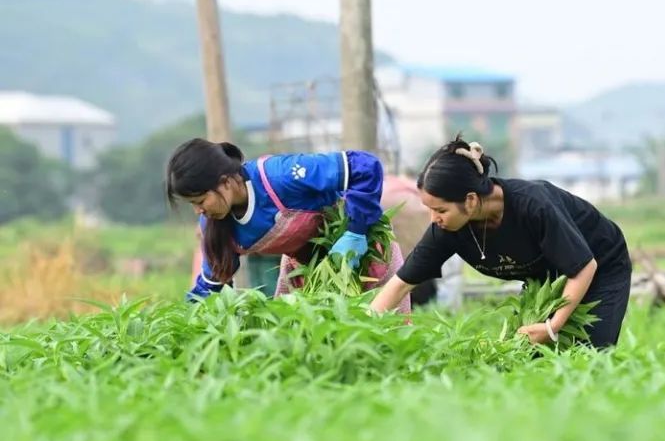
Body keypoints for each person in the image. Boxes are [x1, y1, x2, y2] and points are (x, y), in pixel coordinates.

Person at [370, 136, 633, 348]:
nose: (433, 218)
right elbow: (401, 284)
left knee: (591, 354)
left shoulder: (533, 205)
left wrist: (553, 326)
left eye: (440, 210)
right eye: (429, 209)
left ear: (471, 200)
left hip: (600, 264)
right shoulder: (449, 227)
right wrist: (358, 328)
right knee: (531, 359)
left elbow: (584, 266)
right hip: (547, 277)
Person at [166, 138, 408, 312]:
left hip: (363, 255)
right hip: (305, 276)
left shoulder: (279, 176)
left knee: (382, 332)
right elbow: (211, 287)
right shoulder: (214, 225)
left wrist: (355, 233)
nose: (199, 211)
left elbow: (364, 167)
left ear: (226, 182)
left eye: (200, 201)